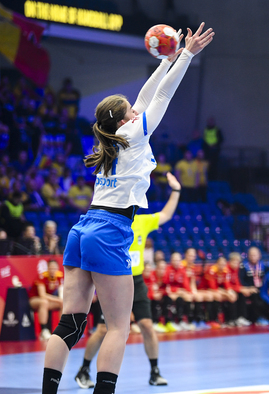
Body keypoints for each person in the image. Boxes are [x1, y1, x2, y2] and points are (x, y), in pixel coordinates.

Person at [41, 24, 214, 394]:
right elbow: (161, 96)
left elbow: (144, 95)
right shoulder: (135, 135)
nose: (137, 112)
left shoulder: (109, 137)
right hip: (110, 230)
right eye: (131, 112)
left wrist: (165, 59)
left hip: (83, 227)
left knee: (69, 325)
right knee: (119, 326)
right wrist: (185, 56)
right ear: (125, 121)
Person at [74, 172, 182, 389]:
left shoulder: (143, 221)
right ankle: (84, 370)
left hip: (137, 280)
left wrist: (176, 190)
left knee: (147, 326)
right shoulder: (110, 222)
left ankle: (154, 371)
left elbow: (167, 215)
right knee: (104, 330)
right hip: (112, 279)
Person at [29, 260, 64, 340]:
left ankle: (62, 329)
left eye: (54, 268)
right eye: (51, 268)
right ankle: (44, 331)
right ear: (47, 268)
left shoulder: (59, 276)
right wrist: (58, 300)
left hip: (48, 301)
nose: (52, 270)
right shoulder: (42, 276)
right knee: (44, 302)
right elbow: (43, 295)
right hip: (34, 300)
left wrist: (61, 300)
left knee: (63, 304)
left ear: (57, 268)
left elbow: (61, 291)